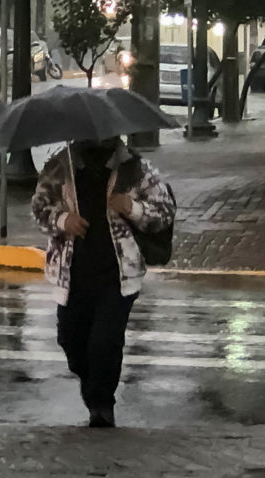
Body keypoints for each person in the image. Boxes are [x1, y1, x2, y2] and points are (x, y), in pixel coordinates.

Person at [31, 137, 176, 428]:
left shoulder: (134, 168)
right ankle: (94, 383)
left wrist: (132, 208)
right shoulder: (61, 166)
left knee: (105, 342)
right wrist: (63, 220)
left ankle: (101, 405)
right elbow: (39, 208)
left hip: (118, 273)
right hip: (72, 273)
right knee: (70, 340)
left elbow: (164, 211)